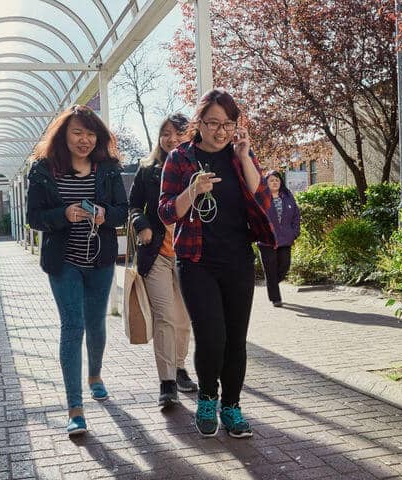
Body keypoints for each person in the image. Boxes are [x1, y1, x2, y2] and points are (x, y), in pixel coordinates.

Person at [158, 89, 275, 438]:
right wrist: (192, 191)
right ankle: (208, 397)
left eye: (228, 124)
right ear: (199, 123)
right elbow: (166, 211)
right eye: (212, 123)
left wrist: (244, 156)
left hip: (238, 259)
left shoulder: (240, 154)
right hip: (197, 262)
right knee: (212, 337)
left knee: (235, 339)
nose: (221, 131)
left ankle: (232, 406)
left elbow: (263, 197)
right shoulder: (180, 159)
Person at [26, 105, 128, 437]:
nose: (84, 140)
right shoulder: (44, 170)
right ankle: (75, 408)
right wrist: (63, 215)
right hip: (64, 260)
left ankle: (95, 375)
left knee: (95, 322)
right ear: (64, 134)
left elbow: (122, 213)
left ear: (98, 137)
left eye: (90, 133)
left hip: (99, 260)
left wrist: (103, 214)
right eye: (77, 133)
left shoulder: (109, 169)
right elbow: (35, 217)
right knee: (72, 326)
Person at [128, 113, 198, 409]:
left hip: (189, 253)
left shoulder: (198, 167)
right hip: (156, 253)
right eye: (166, 133)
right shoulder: (147, 169)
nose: (171, 139)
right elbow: (132, 206)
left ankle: (180, 368)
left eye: (178, 134)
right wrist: (141, 225)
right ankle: (167, 381)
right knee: (164, 316)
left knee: (184, 319)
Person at [258, 170, 301, 307]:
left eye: (277, 180)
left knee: (284, 266)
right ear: (266, 183)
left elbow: (296, 215)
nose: (274, 182)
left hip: (285, 239)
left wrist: (294, 232)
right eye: (271, 180)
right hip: (267, 240)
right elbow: (255, 217)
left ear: (280, 182)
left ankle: (271, 284)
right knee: (270, 269)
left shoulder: (287, 196)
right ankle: (275, 298)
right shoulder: (260, 198)